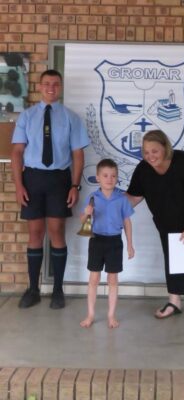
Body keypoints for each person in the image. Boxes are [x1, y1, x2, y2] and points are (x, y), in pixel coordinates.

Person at [11, 69, 89, 309]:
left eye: (55, 84)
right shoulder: (27, 116)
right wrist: (18, 185)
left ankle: (57, 290)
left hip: (59, 179)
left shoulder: (71, 118)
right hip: (32, 178)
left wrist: (75, 185)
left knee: (56, 231)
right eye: (46, 84)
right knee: (35, 233)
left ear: (61, 87)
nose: (51, 88)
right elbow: (16, 152)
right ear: (39, 86)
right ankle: (33, 289)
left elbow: (78, 155)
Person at [127, 129, 184, 320]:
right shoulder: (143, 169)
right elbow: (133, 197)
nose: (150, 156)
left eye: (155, 151)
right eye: (146, 152)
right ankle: (174, 302)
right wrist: (106, 203)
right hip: (168, 221)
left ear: (165, 148)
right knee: (174, 259)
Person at [80, 159, 135, 328]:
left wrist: (130, 244)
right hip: (96, 240)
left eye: (113, 176)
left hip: (114, 242)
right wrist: (87, 213)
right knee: (94, 278)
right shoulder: (92, 198)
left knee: (113, 279)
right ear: (98, 178)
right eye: (105, 175)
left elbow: (127, 222)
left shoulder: (122, 198)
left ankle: (111, 315)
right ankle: (90, 314)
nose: (109, 179)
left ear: (117, 178)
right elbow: (83, 222)